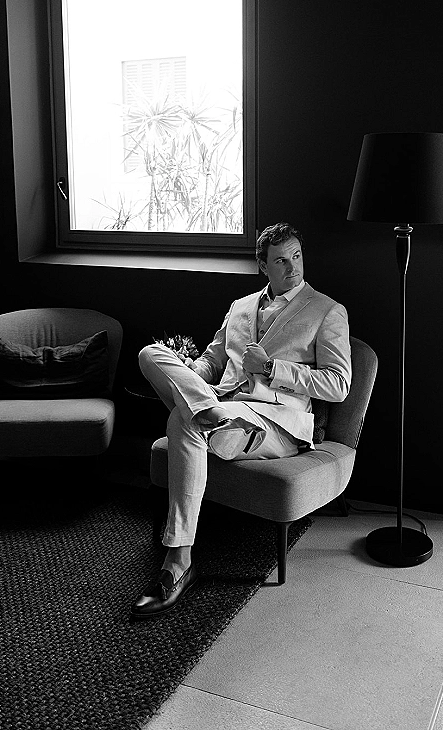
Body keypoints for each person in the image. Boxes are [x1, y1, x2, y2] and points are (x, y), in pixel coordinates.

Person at [130, 222, 352, 618]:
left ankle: (177, 563)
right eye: (281, 261)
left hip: (275, 423)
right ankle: (208, 413)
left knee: (183, 421)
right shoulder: (240, 306)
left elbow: (338, 385)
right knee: (149, 354)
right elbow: (213, 361)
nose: (293, 267)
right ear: (262, 266)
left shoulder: (327, 311)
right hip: (226, 405)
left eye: (297, 256)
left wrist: (272, 368)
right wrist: (188, 372)